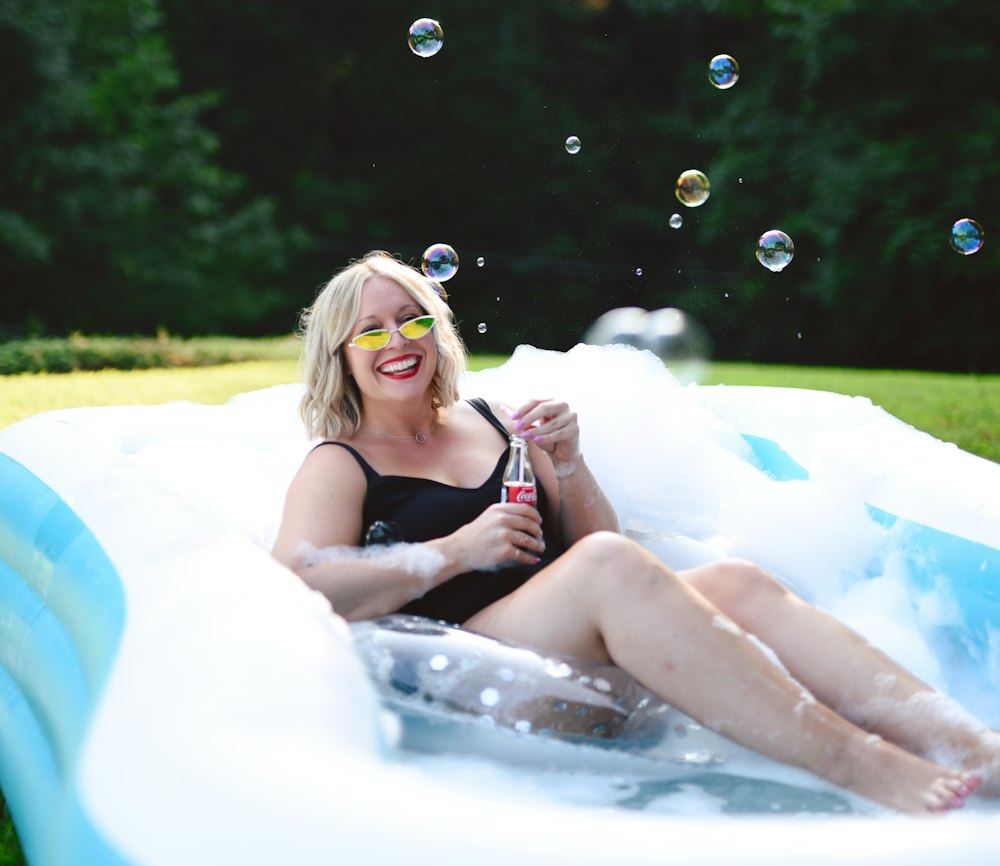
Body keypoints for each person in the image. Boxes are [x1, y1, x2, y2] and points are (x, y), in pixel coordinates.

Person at [274, 250, 1000, 815]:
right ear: (339, 355)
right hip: (483, 684)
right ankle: (857, 762)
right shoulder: (342, 464)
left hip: (591, 664)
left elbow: (600, 542)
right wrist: (452, 552)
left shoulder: (495, 421)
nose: (397, 340)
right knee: (609, 568)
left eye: (413, 319)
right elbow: (294, 585)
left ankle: (969, 744)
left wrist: (571, 461)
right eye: (370, 330)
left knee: (738, 583)